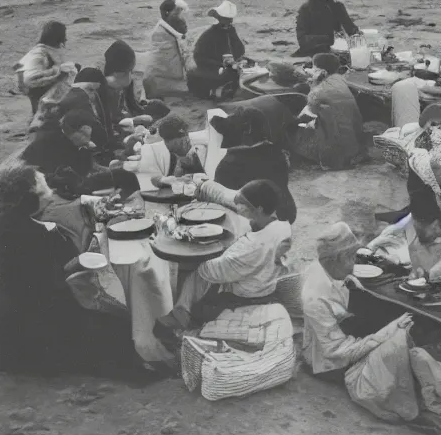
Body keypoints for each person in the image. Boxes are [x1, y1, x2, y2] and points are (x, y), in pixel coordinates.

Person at [0, 162, 154, 379]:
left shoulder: (11, 223)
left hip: (14, 317)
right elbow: (51, 281)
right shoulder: (29, 232)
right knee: (117, 327)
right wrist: (78, 261)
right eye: (43, 187)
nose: (50, 192)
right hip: (36, 320)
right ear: (28, 197)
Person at [154, 179, 293, 347]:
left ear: (259, 209)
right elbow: (230, 197)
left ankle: (180, 320)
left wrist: (200, 253)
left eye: (243, 205)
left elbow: (211, 271)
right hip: (264, 281)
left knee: (197, 275)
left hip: (247, 296)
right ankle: (180, 312)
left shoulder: (251, 246)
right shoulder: (281, 227)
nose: (239, 207)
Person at [302, 222, 412, 381]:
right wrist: (384, 334)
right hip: (327, 364)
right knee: (394, 359)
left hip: (339, 330)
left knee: (387, 313)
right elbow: (338, 352)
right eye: (351, 257)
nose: (355, 263)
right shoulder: (315, 298)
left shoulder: (328, 267)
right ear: (336, 260)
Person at [21, 109, 140, 199]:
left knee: (124, 175)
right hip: (45, 185)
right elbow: (80, 173)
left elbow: (87, 169)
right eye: (84, 134)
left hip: (60, 179)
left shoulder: (66, 137)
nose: (87, 138)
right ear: (74, 131)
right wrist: (85, 149)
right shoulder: (55, 142)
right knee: (124, 177)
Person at [210, 106, 297, 224]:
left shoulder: (229, 163)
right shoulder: (278, 153)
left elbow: (219, 201)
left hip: (254, 221)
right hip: (286, 213)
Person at [292, 53, 367, 170]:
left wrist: (314, 82)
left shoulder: (317, 92)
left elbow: (308, 112)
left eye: (314, 69)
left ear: (323, 72)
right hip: (355, 142)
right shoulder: (340, 80)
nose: (311, 71)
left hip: (336, 146)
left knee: (298, 130)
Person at [14, 21, 78, 115]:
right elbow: (30, 80)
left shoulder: (38, 50)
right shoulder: (42, 52)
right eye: (63, 35)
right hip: (37, 87)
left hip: (33, 88)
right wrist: (58, 75)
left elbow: (19, 68)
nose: (66, 39)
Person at [102, 40, 170, 125]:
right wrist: (135, 120)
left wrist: (142, 104)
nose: (130, 73)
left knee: (158, 105)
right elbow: (113, 118)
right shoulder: (107, 87)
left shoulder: (125, 80)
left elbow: (132, 103)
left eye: (131, 70)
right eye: (128, 70)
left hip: (127, 114)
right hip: (118, 122)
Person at [188, 1, 246, 100]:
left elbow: (240, 49)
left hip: (229, 64)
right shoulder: (208, 34)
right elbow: (198, 57)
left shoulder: (231, 30)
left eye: (230, 19)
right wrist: (220, 64)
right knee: (227, 75)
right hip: (210, 68)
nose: (229, 22)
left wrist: (234, 60)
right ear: (219, 18)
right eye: (226, 19)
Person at [294, 0, 359, 58]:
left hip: (336, 50)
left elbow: (351, 29)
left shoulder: (337, 7)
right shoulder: (306, 10)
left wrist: (358, 34)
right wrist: (326, 38)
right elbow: (302, 39)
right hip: (312, 52)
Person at [143, 0, 192, 99]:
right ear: (167, 13)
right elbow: (168, 66)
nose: (180, 17)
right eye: (176, 13)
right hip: (161, 80)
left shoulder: (170, 26)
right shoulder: (160, 34)